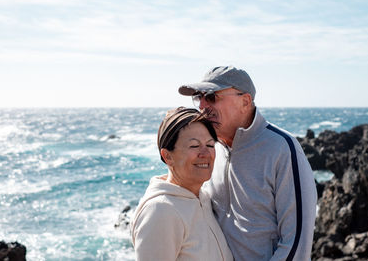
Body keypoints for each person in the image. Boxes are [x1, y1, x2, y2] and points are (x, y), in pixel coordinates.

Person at [178, 66, 318, 261]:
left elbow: (296, 243)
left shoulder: (282, 148)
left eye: (211, 96)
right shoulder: (211, 150)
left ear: (245, 101)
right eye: (198, 97)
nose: (201, 105)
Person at [131, 107, 233, 261]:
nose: (205, 154)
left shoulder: (203, 198)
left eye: (210, 145)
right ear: (167, 156)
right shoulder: (161, 211)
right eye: (194, 146)